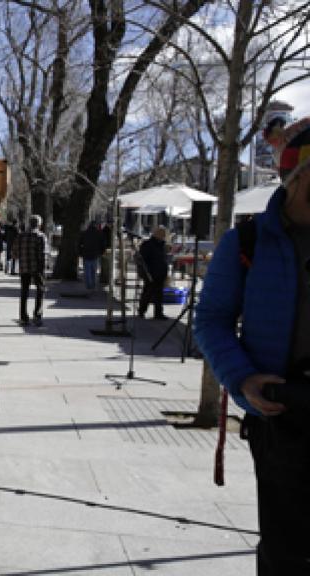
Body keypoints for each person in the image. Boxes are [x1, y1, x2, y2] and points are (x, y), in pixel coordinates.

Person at [194, 119, 310, 575]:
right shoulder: (246, 241)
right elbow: (211, 321)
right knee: (286, 553)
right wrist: (242, 380)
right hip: (283, 416)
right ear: (297, 176)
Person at [12, 215, 47, 326]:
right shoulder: (41, 236)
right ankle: (37, 315)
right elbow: (43, 254)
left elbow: (14, 253)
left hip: (24, 267)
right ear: (39, 224)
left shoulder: (21, 236)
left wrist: (22, 258)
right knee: (40, 290)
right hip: (37, 268)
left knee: (24, 291)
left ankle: (23, 317)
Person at [137, 226, 169, 319]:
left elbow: (163, 259)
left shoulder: (162, 245)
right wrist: (146, 273)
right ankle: (141, 311)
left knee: (159, 294)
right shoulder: (148, 244)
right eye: (162, 234)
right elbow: (142, 260)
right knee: (148, 292)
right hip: (151, 273)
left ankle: (158, 313)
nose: (163, 236)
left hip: (160, 273)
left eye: (164, 235)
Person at [78, 221, 107, 292]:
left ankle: (89, 285)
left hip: (86, 254)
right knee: (94, 271)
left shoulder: (84, 233)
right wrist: (101, 252)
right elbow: (103, 244)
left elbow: (79, 244)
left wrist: (80, 253)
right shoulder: (99, 233)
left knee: (87, 271)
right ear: (96, 225)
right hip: (95, 254)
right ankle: (93, 285)